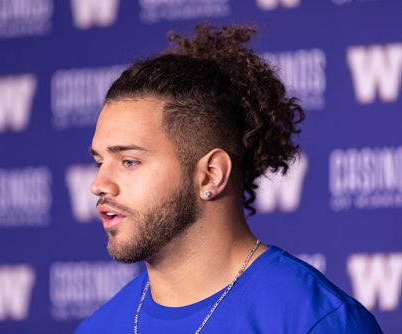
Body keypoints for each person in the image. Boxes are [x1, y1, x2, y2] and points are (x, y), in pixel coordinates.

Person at [76, 24, 382, 333]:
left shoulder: (314, 321)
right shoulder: (97, 327)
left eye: (129, 161)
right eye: (99, 161)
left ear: (211, 175)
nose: (99, 185)